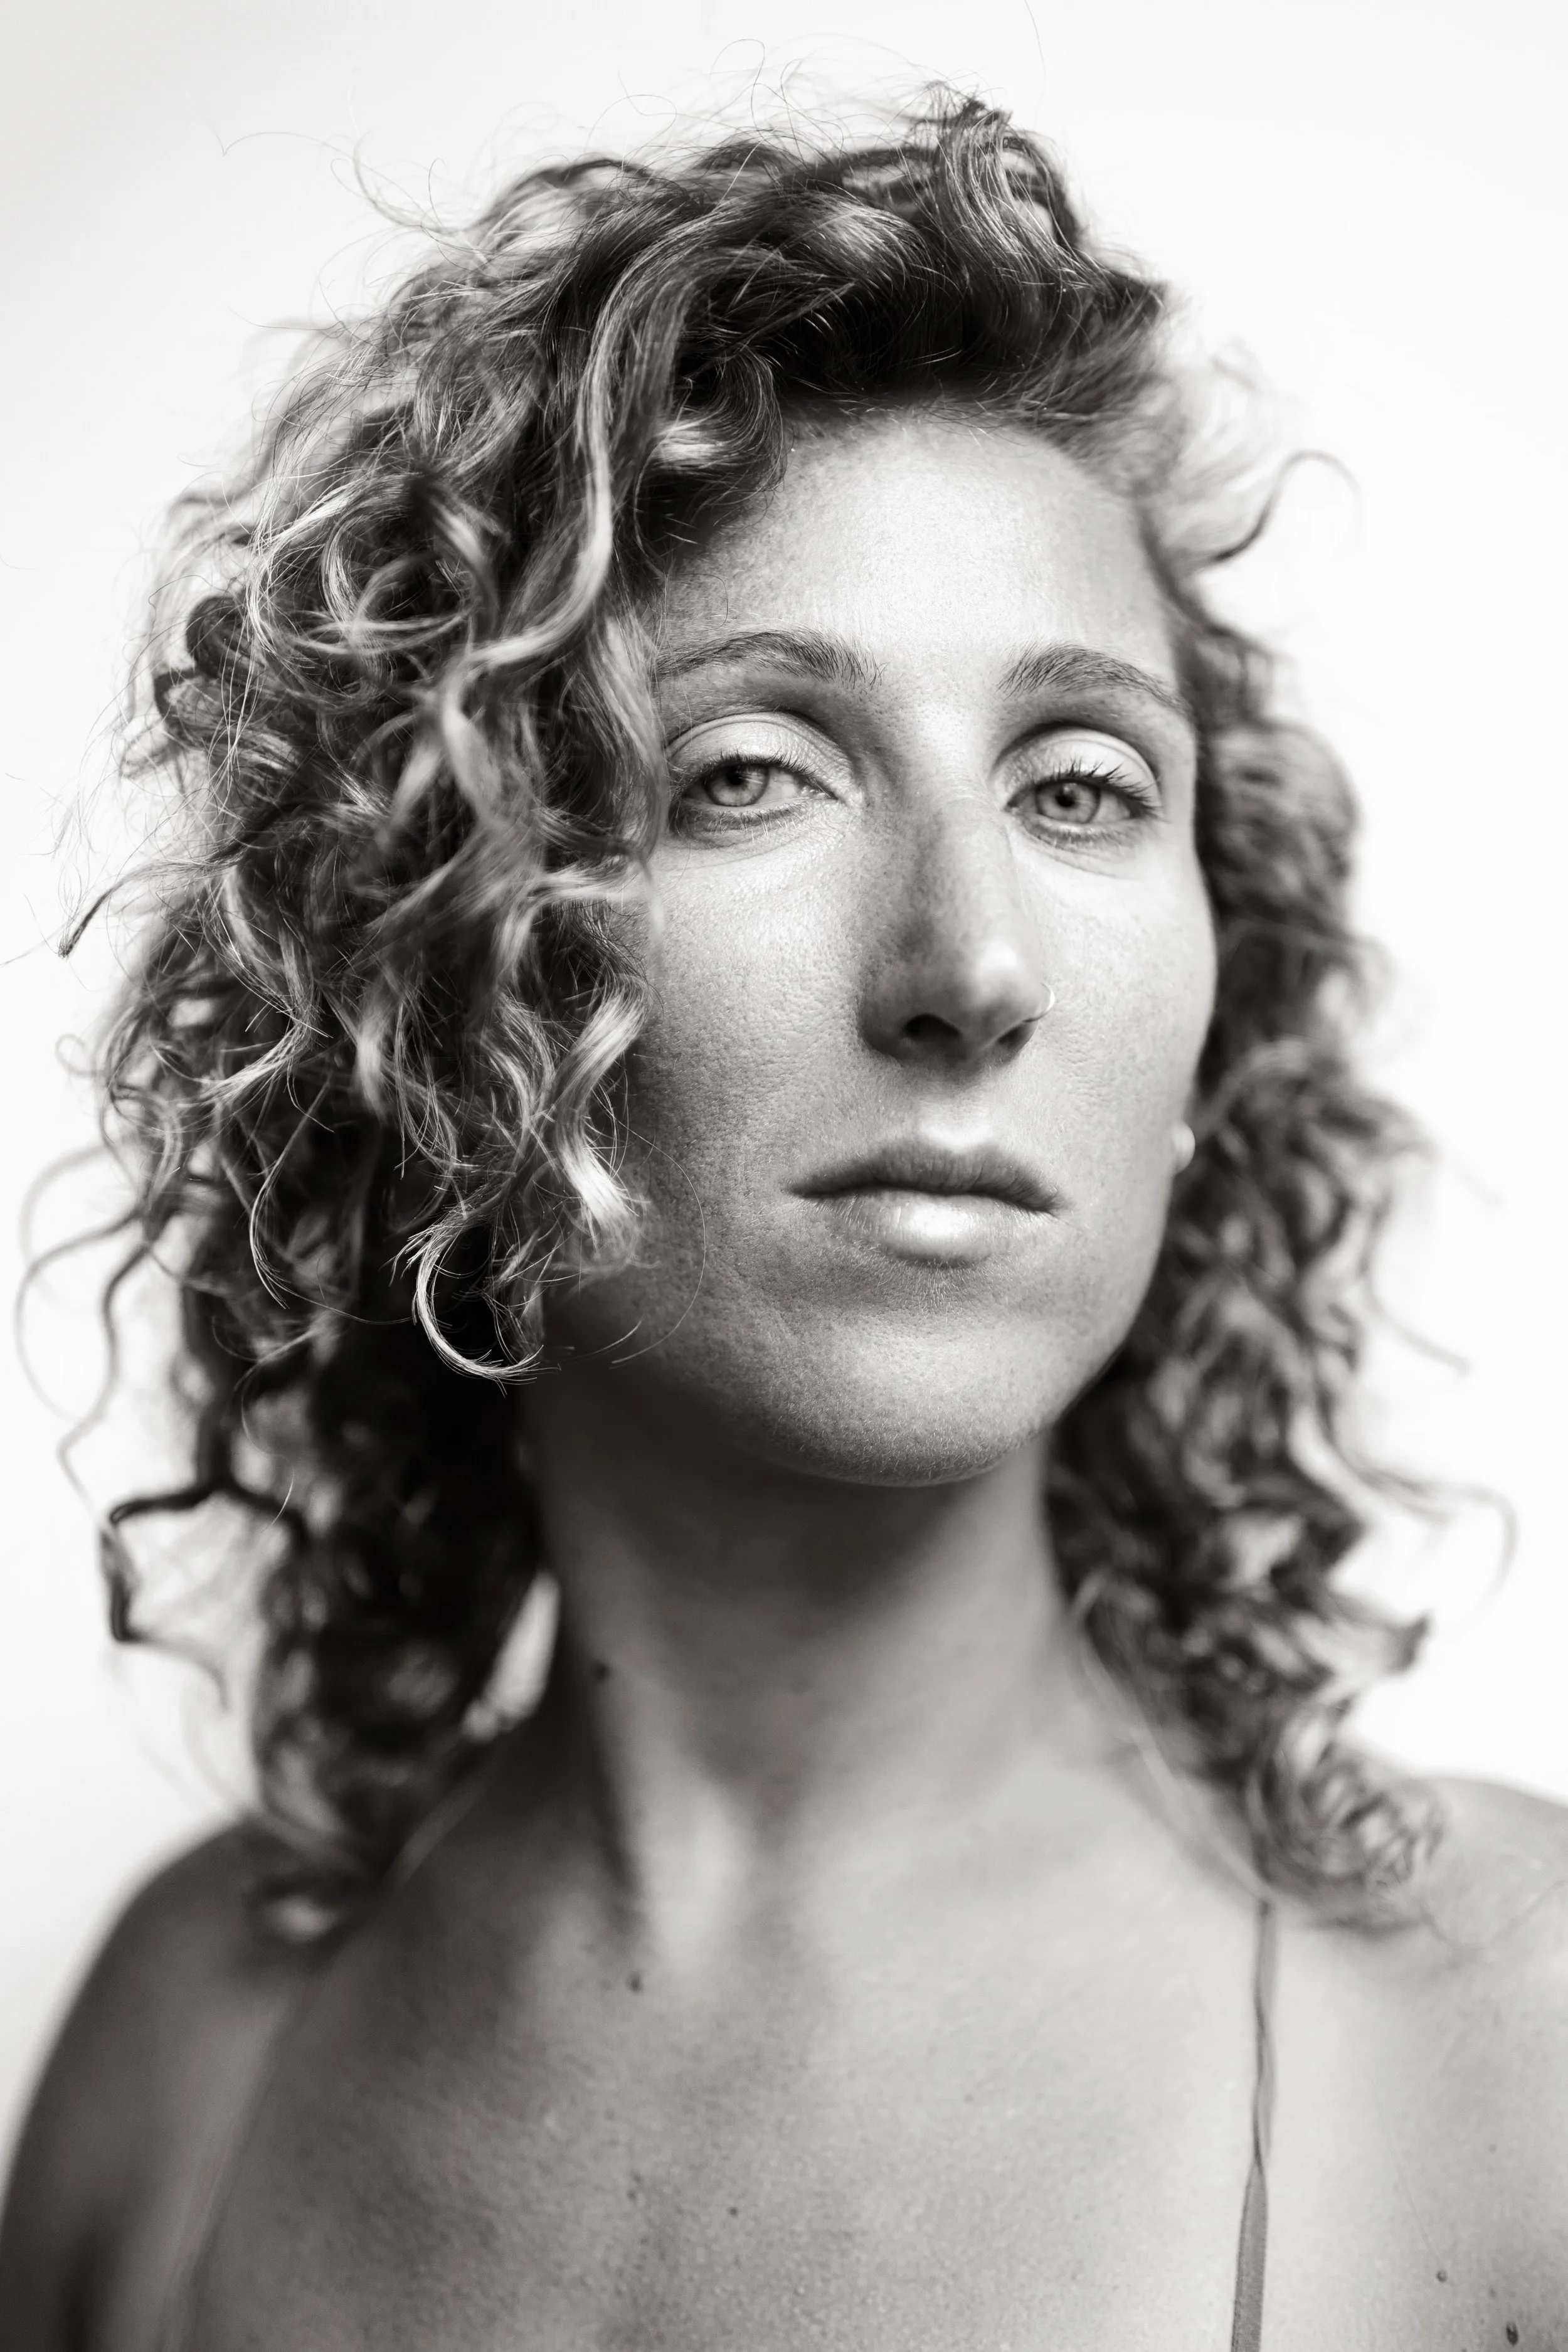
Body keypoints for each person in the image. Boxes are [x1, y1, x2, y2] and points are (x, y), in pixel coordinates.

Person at [1, 92, 1564, 2351]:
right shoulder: (191, 2046)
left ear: (1214, 1024)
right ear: (439, 981)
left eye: (1080, 789)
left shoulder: (1500, 2044)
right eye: (751, 772)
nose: (968, 961)